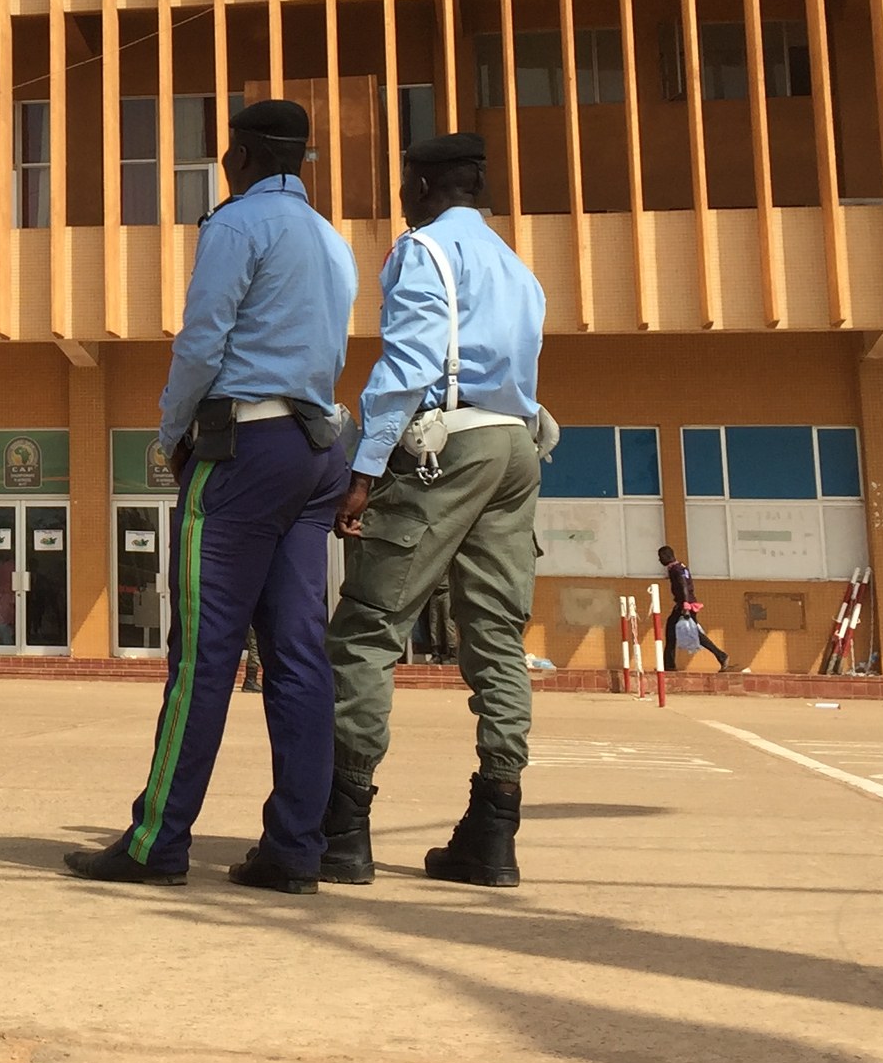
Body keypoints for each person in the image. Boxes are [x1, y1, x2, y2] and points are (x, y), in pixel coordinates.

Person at [65, 99, 359, 894]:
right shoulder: (334, 243)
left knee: (202, 655)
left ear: (246, 157)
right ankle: (296, 848)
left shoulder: (235, 225)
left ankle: (158, 841)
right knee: (300, 657)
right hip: (315, 450)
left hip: (246, 449)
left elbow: (202, 341)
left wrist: (170, 434)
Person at [323, 131, 551, 891]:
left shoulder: (423, 252)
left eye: (404, 183)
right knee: (494, 637)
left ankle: (343, 828)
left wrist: (363, 468)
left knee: (367, 629)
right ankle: (493, 832)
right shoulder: (518, 269)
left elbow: (407, 367)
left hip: (443, 447)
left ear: (421, 187)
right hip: (515, 448)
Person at [657, 545, 731, 671]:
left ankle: (721, 655)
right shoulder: (680, 567)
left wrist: (685, 605)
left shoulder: (676, 570)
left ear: (665, 556)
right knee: (675, 631)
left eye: (660, 557)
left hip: (684, 606)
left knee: (689, 633)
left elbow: (683, 586)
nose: (659, 560)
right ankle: (669, 664)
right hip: (684, 604)